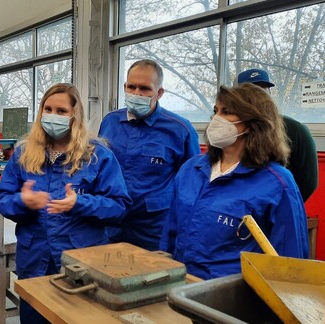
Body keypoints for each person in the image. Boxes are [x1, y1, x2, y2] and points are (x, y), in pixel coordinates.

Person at [0, 83, 131, 324]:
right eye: (48, 109)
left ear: (74, 115)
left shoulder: (97, 155)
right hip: (35, 259)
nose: (52, 116)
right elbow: (2, 199)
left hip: (80, 263)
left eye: (61, 111)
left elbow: (118, 206)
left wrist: (80, 202)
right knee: (34, 317)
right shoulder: (24, 154)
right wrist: (22, 201)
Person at [160, 84, 309, 280]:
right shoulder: (191, 169)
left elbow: (290, 262)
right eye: (215, 111)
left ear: (252, 123)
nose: (215, 118)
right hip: (181, 285)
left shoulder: (277, 183)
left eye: (226, 112)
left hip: (232, 295)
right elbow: (170, 232)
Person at [98, 59, 200, 250]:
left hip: (154, 229)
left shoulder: (180, 130)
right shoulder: (110, 122)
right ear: (125, 87)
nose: (136, 93)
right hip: (111, 223)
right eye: (131, 87)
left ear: (159, 92)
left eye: (145, 89)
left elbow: (191, 184)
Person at [237, 68, 318, 202]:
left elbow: (308, 182)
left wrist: (284, 206)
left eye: (264, 90)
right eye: (251, 92)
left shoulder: (296, 131)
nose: (259, 96)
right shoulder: (233, 131)